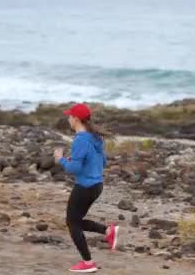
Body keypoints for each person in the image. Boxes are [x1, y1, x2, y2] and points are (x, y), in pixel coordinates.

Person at [54, 103, 119, 273]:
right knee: (76, 221)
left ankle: (88, 263)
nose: (68, 119)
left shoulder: (80, 140)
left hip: (84, 187)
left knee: (72, 223)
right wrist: (79, 161)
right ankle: (107, 230)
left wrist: (61, 159)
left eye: (70, 116)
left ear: (76, 119)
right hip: (97, 186)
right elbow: (103, 162)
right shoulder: (95, 137)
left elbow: (73, 169)